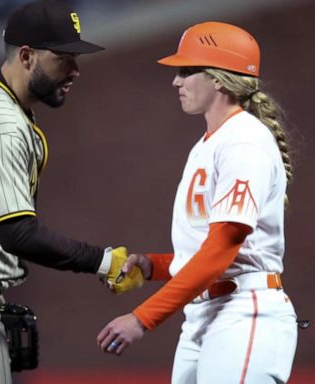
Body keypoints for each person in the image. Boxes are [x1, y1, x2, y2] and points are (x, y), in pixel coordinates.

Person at [0, 1, 143, 383]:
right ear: (27, 56)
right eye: (64, 58)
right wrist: (102, 261)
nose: (75, 70)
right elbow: (18, 233)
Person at [97, 21, 298, 384]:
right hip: (207, 313)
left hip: (243, 313)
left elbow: (222, 248)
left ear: (219, 78)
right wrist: (153, 265)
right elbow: (211, 252)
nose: (176, 81)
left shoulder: (244, 141)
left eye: (187, 71)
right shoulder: (210, 143)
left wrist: (143, 317)